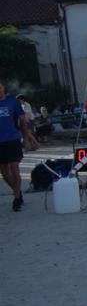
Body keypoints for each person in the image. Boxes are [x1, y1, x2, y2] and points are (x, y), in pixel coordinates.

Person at [0, 81, 39, 211]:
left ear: (3, 87)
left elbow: (22, 122)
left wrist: (27, 139)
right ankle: (17, 191)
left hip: (12, 139)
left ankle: (16, 198)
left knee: (14, 168)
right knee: (4, 172)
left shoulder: (12, 102)